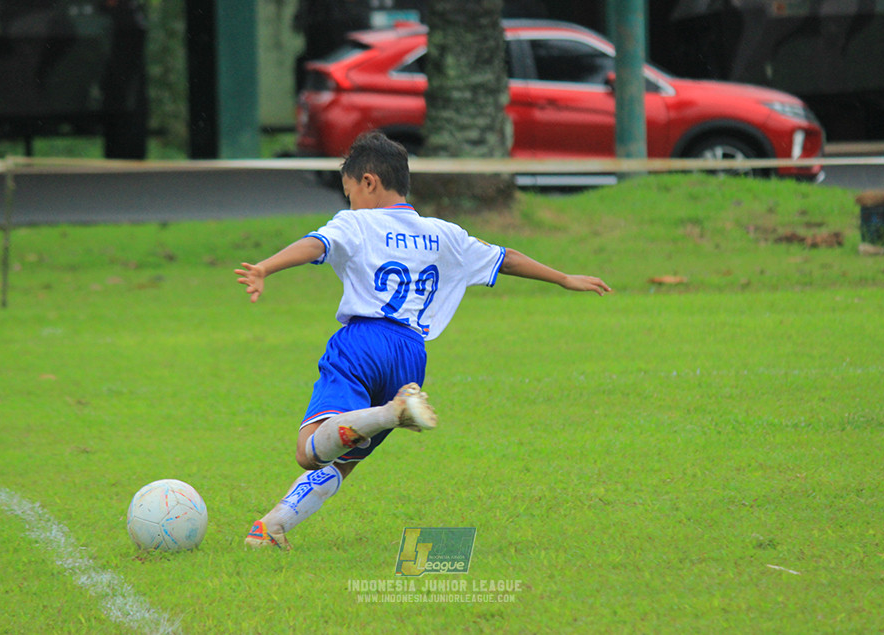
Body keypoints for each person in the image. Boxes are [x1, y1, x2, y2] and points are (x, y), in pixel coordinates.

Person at [235, 131, 610, 549]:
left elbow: (317, 244)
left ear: (369, 182)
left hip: (363, 342)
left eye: (350, 192)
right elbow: (505, 258)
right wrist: (562, 278)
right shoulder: (443, 233)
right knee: (346, 459)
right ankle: (273, 526)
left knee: (309, 451)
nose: (350, 203)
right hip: (411, 356)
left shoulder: (357, 223)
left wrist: (267, 267)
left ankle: (390, 413)